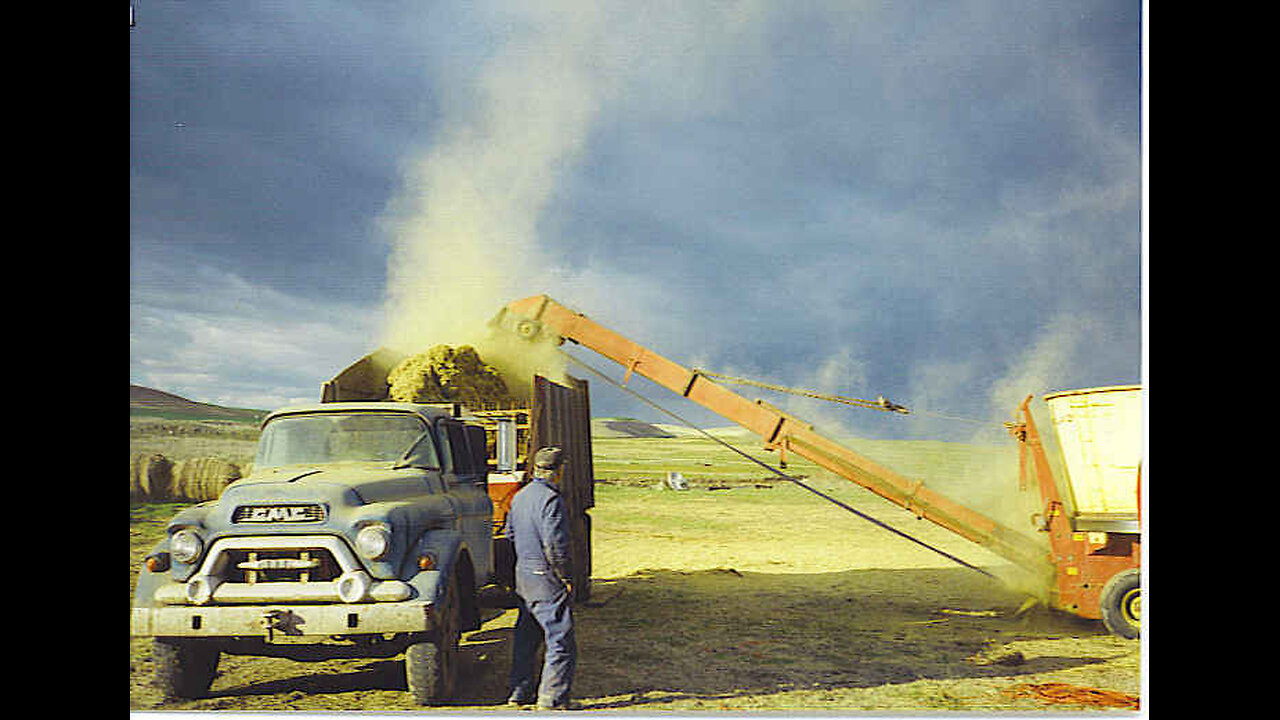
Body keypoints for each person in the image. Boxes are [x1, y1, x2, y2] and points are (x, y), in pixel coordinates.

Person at [505, 446, 577, 710]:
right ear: (559, 471)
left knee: (526, 636)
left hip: (524, 576)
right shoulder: (551, 500)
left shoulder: (520, 496)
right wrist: (565, 576)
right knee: (560, 639)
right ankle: (551, 700)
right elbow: (555, 545)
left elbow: (510, 534)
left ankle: (519, 692)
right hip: (546, 578)